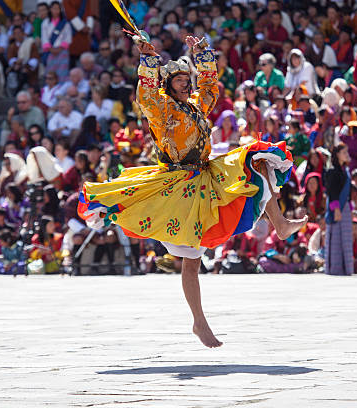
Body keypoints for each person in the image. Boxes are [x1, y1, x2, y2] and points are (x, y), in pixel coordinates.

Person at [78, 36, 307, 348]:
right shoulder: (162, 110)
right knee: (191, 262)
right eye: (181, 81)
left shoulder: (196, 105)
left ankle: (279, 223)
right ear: (170, 85)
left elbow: (211, 88)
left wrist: (203, 53)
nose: (187, 85)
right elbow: (146, 96)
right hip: (178, 183)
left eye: (189, 80)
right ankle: (199, 322)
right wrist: (147, 60)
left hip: (206, 173)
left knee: (257, 157)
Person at [324, 143, 353, 275]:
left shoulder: (344, 170)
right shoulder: (332, 171)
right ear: (337, 155)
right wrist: (336, 209)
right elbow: (332, 192)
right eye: (344, 152)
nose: (347, 154)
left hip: (345, 208)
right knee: (336, 237)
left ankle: (346, 268)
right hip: (336, 208)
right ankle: (336, 269)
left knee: (345, 238)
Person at [41, 1, 72, 82]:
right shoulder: (45, 22)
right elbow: (44, 37)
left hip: (62, 51)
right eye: (54, 8)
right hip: (50, 51)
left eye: (58, 9)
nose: (56, 11)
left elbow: (68, 37)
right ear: (50, 9)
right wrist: (50, 48)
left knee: (62, 72)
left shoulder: (65, 23)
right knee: (51, 72)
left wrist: (61, 47)